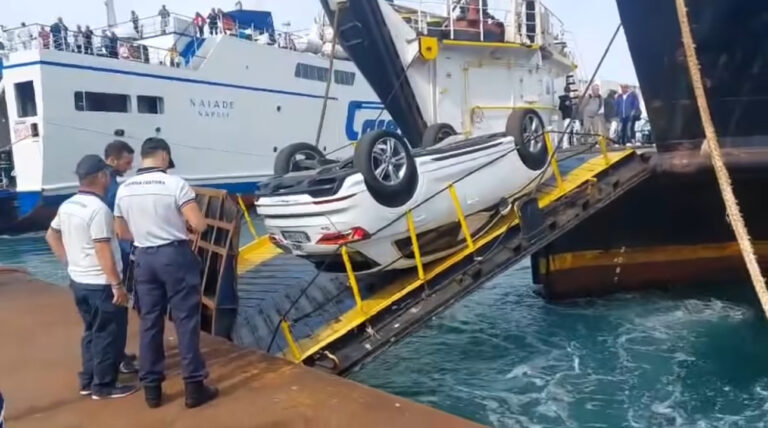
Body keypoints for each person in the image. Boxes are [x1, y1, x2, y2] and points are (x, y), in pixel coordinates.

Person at [114, 138, 217, 409]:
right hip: (174, 256)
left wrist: (147, 234)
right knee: (186, 321)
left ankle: (152, 391)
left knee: (150, 322)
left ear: (142, 158)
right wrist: (183, 228)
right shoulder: (175, 184)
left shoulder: (124, 189)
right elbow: (199, 224)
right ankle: (194, 388)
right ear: (164, 156)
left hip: (144, 259)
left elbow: (121, 233)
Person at [45, 155, 139, 400]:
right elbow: (103, 249)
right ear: (101, 177)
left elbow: (51, 236)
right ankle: (104, 386)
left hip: (79, 281)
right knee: (109, 334)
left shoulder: (68, 205)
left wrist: (70, 261)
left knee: (91, 332)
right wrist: (117, 285)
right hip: (101, 284)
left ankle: (87, 380)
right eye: (106, 175)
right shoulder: (99, 210)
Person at [104, 140, 138, 375]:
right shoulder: (113, 189)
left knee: (107, 314)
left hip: (103, 256)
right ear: (114, 160)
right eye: (127, 162)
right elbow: (119, 227)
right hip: (118, 253)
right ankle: (117, 360)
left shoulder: (102, 184)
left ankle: (115, 356)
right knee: (118, 309)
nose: (129, 166)